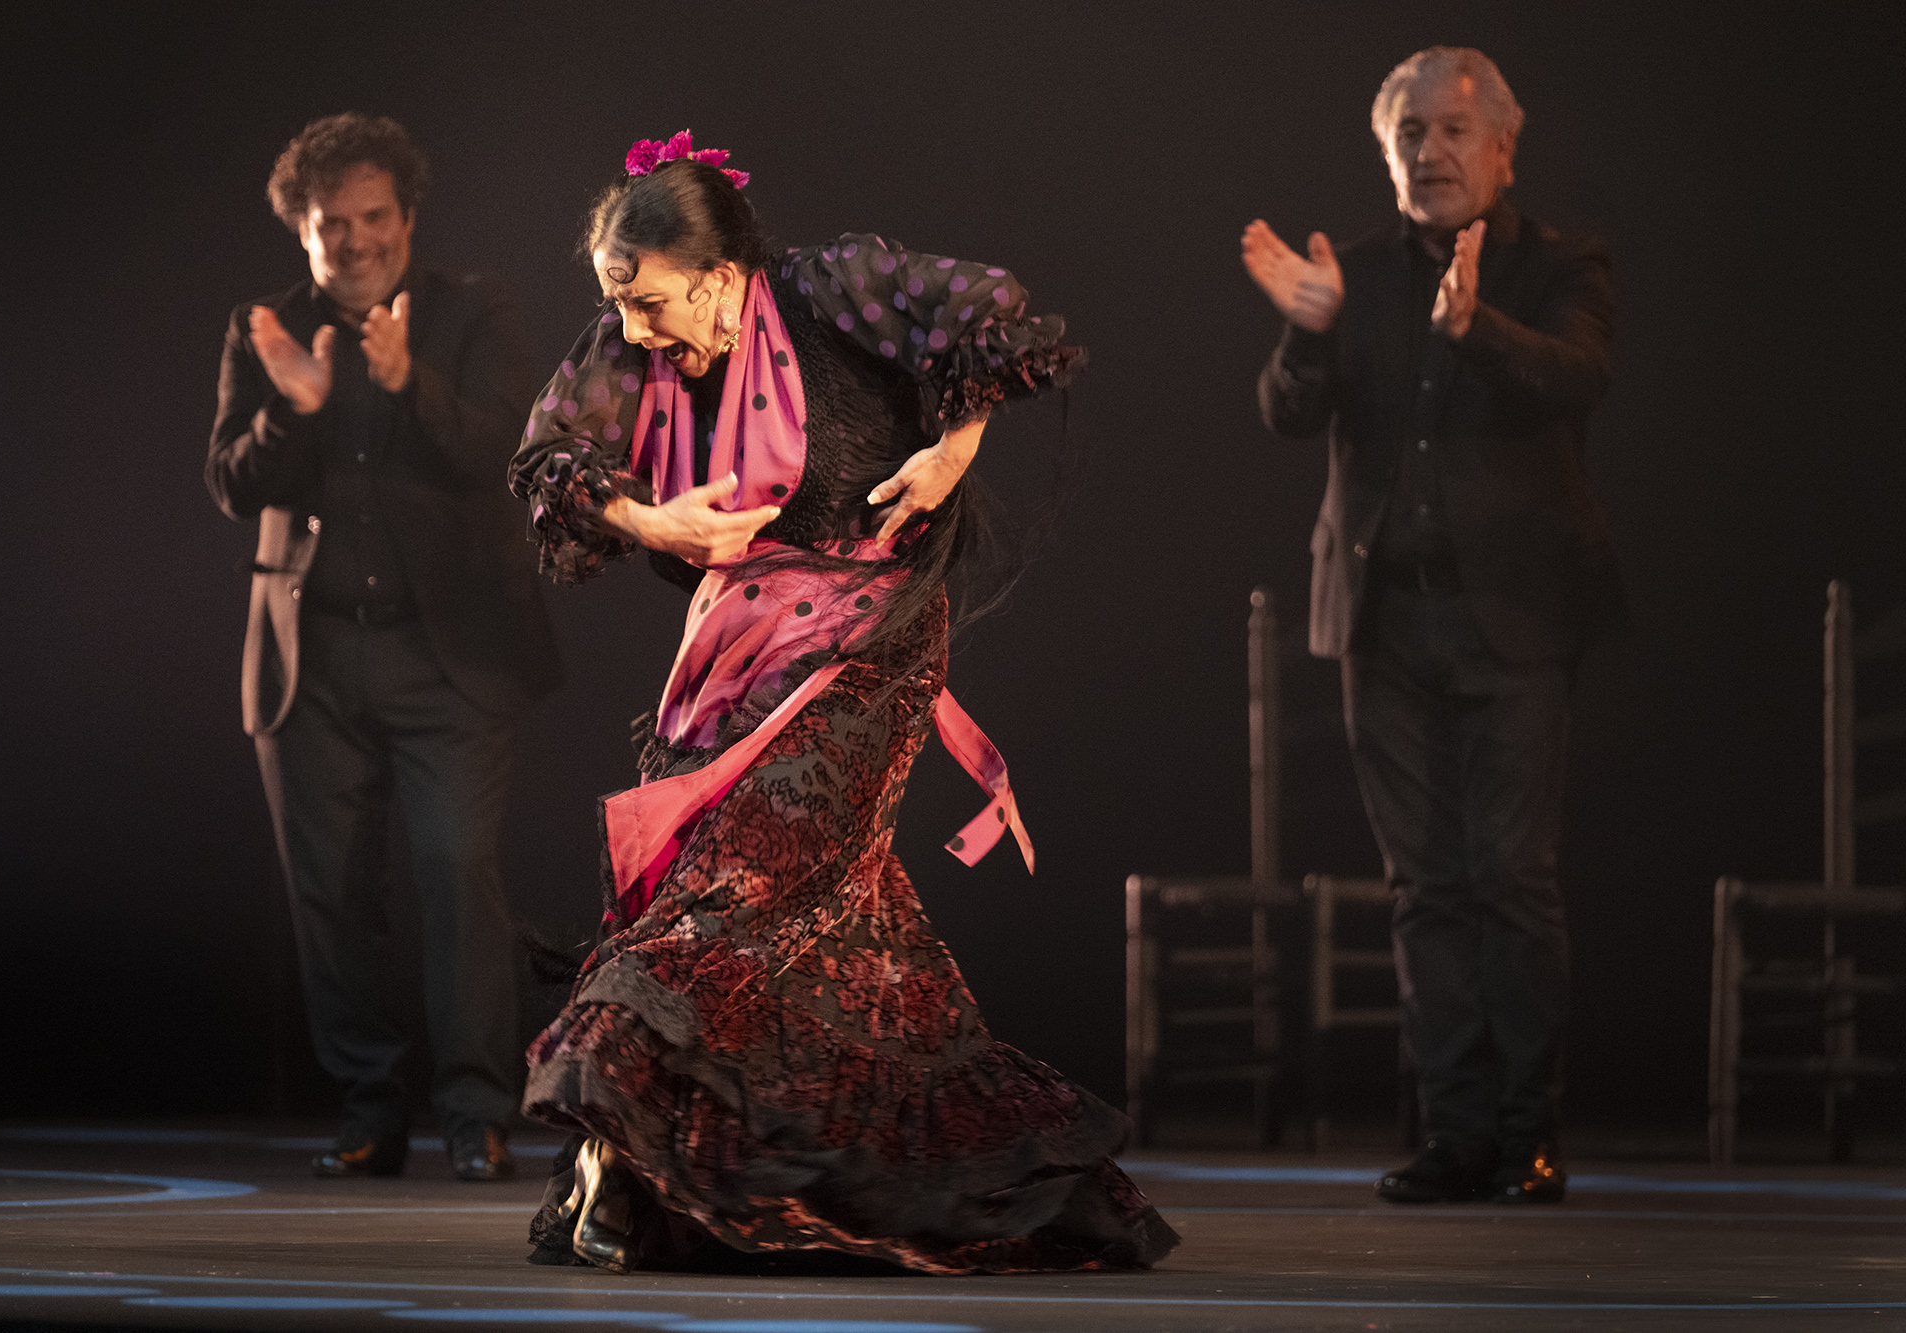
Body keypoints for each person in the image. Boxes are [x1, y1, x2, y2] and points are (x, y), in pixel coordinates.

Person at [507, 131, 1177, 1274]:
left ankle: (618, 1145)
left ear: (719, 279)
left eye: (652, 303)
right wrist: (653, 522)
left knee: (746, 883)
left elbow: (985, 315)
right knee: (804, 932)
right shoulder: (634, 350)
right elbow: (550, 456)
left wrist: (952, 453)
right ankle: (652, 1162)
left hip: (871, 645)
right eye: (618, 304)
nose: (631, 328)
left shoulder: (829, 290)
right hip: (735, 657)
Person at [1244, 49, 1623, 1204]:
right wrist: (1308, 330)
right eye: (1410, 132)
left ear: (1503, 148)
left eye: (1455, 131)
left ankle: (1527, 1134)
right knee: (1422, 887)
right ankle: (1455, 1134)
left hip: (1512, 620)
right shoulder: (1348, 274)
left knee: (1510, 879)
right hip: (1382, 624)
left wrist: (1475, 330)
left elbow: (1579, 379)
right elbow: (1282, 414)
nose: (1431, 151)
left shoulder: (1559, 263)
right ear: (1386, 150)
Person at [206, 113, 561, 1181]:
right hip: (311, 660)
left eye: (371, 219)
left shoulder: (470, 311)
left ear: (406, 219)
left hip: (448, 657)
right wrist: (296, 413)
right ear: (301, 232)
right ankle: (368, 1107)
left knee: (457, 869)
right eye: (330, 226)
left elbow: (509, 453)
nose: (353, 241)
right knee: (331, 890)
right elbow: (232, 483)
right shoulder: (265, 326)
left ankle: (475, 1112)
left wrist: (412, 386)